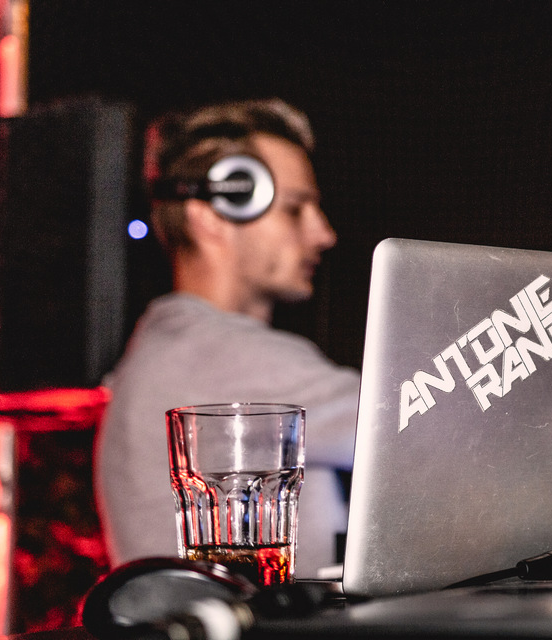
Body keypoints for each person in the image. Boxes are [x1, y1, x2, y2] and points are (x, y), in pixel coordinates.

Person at [95, 99, 360, 577]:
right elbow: (421, 427)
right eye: (295, 209)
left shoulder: (167, 343)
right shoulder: (219, 354)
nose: (323, 234)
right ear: (211, 217)